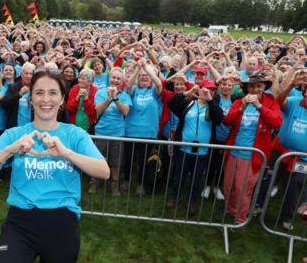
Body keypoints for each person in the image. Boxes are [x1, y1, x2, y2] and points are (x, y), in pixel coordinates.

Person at [0, 71, 109, 262]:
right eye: (39, 93)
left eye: (53, 93)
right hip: (20, 221)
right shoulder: (15, 134)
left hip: (62, 222)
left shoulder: (75, 134)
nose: (46, 99)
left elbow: (104, 171)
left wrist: (66, 153)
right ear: (30, 98)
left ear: (62, 99)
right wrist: (10, 150)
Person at [222, 73, 283, 224]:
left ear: (264, 87)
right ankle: (230, 210)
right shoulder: (239, 101)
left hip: (253, 154)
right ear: (247, 88)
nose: (255, 89)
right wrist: (241, 109)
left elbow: (277, 122)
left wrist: (260, 107)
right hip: (233, 150)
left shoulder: (270, 102)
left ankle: (241, 218)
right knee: (229, 185)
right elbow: (227, 121)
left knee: (243, 189)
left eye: (258, 86)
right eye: (252, 86)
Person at [167, 79, 223, 214]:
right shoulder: (188, 104)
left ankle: (192, 201)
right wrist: (187, 92)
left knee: (197, 179)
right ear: (199, 88)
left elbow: (219, 119)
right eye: (205, 89)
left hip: (202, 152)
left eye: (212, 90)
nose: (208, 92)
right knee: (179, 175)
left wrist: (210, 100)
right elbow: (171, 103)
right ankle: (174, 197)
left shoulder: (213, 106)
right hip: (183, 149)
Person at [269, 69, 307, 230]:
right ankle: (258, 206)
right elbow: (279, 101)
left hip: (303, 158)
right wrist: (290, 85)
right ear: (305, 90)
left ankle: (286, 218)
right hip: (279, 151)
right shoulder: (294, 101)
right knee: (268, 179)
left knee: (295, 187)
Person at [122, 59, 163, 195]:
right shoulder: (134, 90)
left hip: (148, 133)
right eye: (142, 76)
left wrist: (146, 67)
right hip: (131, 131)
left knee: (143, 160)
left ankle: (141, 184)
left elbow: (158, 82)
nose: (144, 77)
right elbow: (128, 85)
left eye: (147, 76)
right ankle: (127, 180)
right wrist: (138, 69)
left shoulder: (154, 92)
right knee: (129, 159)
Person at [91, 67, 132, 195]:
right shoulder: (100, 93)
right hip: (101, 132)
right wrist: (108, 98)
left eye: (118, 78)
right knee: (98, 159)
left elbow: (125, 111)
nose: (115, 80)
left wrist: (116, 99)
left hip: (117, 133)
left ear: (122, 81)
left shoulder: (124, 95)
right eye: (113, 77)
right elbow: (98, 110)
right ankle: (95, 181)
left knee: (116, 161)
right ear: (109, 78)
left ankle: (114, 183)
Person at [1, 62, 35, 128]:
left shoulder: (36, 88)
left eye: (31, 74)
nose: (29, 76)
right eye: (26, 73)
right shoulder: (13, 87)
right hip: (15, 127)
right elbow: (4, 104)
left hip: (31, 127)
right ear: (21, 74)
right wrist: (19, 95)